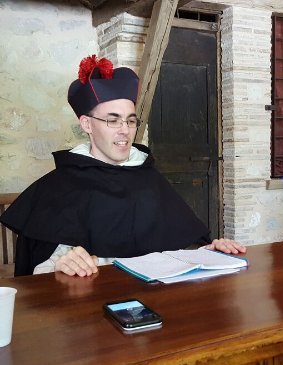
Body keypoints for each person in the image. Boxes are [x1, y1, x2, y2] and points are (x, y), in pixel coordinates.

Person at [1, 55, 245, 277]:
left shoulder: (148, 177)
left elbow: (176, 246)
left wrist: (206, 250)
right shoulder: (58, 187)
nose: (125, 131)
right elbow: (38, 271)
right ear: (86, 124)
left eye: (130, 121)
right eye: (112, 120)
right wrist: (61, 265)